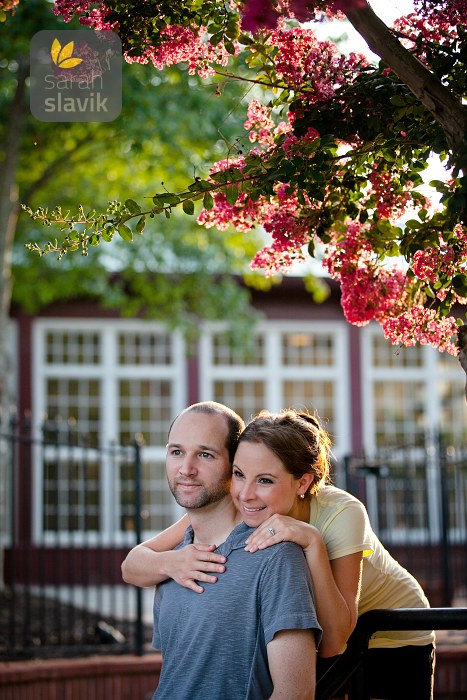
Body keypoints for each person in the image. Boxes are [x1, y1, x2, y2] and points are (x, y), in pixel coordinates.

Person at [122, 407, 435, 700]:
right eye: (240, 474)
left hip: (391, 629)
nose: (245, 493)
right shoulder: (243, 497)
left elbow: (336, 638)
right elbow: (134, 564)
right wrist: (174, 562)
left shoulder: (341, 513)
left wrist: (312, 542)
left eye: (265, 480)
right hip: (322, 624)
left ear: (302, 482)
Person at [140, 401, 321, 700]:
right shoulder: (173, 562)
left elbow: (296, 692)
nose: (186, 469)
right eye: (176, 452)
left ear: (233, 463)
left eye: (205, 454)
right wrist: (166, 563)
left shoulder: (275, 556)